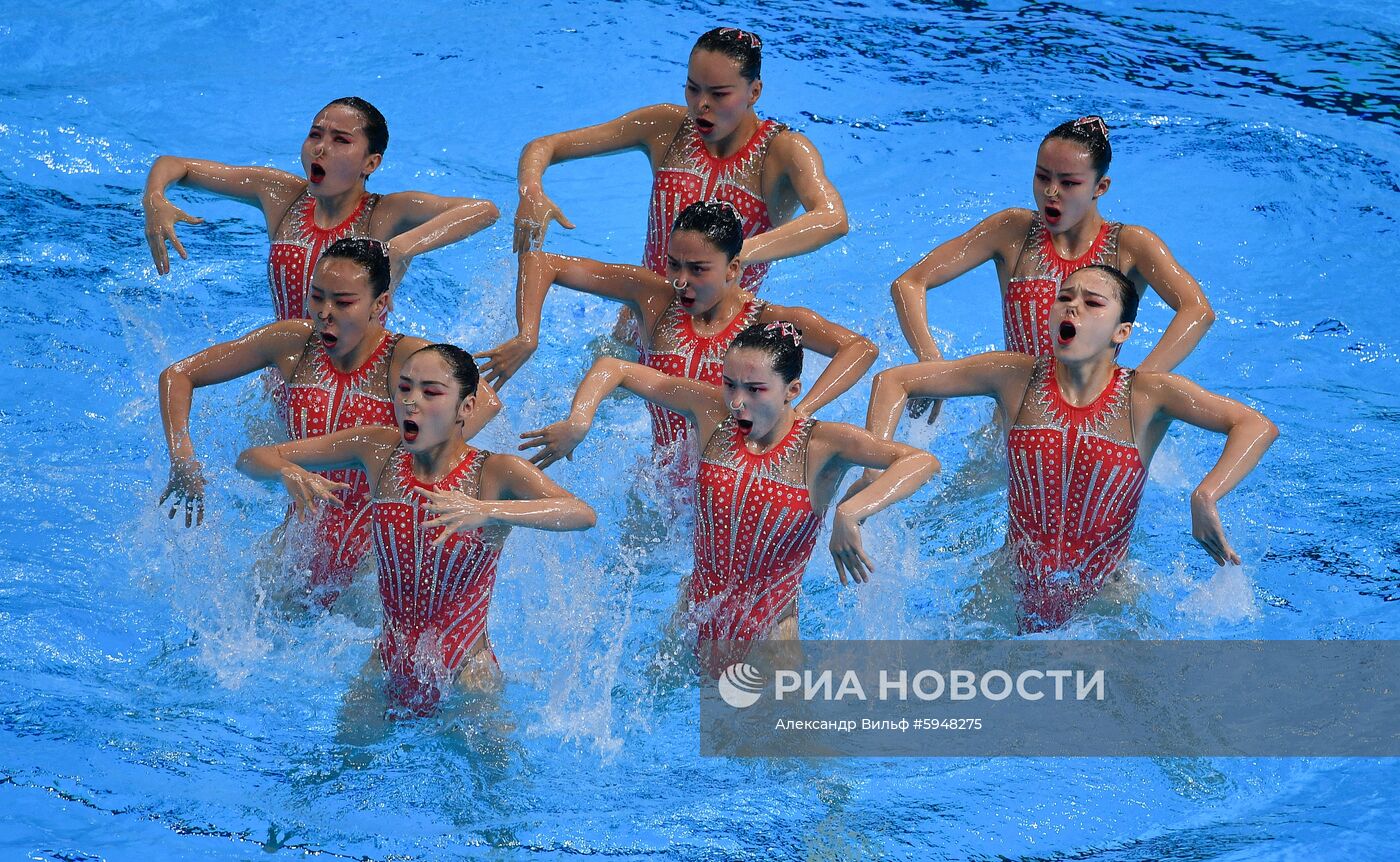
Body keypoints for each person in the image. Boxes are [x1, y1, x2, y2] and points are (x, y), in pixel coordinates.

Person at [865, 265, 1276, 631]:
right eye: (1063, 297)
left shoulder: (1149, 395)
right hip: (1007, 590)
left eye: (1092, 302)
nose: (1071, 307)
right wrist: (873, 473)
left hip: (1106, 603)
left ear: (1122, 332)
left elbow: (1255, 425)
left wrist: (1206, 495)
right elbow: (893, 381)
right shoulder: (1014, 376)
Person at [521, 322, 938, 669]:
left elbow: (920, 462)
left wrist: (851, 511)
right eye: (729, 384)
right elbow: (615, 368)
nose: (737, 401)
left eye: (756, 389)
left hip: (769, 645)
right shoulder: (711, 412)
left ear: (792, 390)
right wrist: (579, 420)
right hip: (692, 619)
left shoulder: (826, 444)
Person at [237, 344, 595, 713]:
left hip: (467, 683)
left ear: (466, 408)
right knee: (340, 767)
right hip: (386, 667)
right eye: (404, 388)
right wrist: (286, 471)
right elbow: (251, 458)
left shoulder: (495, 473)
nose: (411, 401)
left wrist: (488, 511)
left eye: (431, 392)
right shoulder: (379, 450)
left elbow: (581, 514)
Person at [157, 238, 500, 605]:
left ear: (379, 305)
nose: (324, 312)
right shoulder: (292, 343)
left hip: (376, 565)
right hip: (300, 544)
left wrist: (412, 459)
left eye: (344, 302)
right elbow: (177, 376)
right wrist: (182, 456)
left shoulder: (405, 358)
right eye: (317, 297)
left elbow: (485, 401)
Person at [484, 201, 876, 481]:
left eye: (698, 269)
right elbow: (541, 262)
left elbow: (860, 348)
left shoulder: (766, 321)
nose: (680, 280)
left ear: (733, 269)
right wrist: (527, 335)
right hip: (662, 482)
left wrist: (803, 410)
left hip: (736, 479)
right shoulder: (654, 297)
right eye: (673, 264)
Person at [514, 27, 847, 336]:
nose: (701, 104)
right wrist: (532, 191)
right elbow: (545, 146)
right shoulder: (665, 128)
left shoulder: (782, 152)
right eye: (693, 88)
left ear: (754, 92)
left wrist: (734, 253)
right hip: (638, 328)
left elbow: (832, 219)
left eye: (719, 94)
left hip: (721, 345)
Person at [891, 116, 1214, 421]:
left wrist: (1139, 384)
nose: (1051, 192)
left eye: (1069, 183)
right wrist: (932, 364)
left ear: (1100, 187)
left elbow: (1197, 310)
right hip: (1013, 415)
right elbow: (909, 282)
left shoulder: (1130, 245)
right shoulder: (1011, 230)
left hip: (1094, 417)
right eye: (1042, 176)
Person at [143, 96, 499, 321]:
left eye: (340, 140)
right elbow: (176, 164)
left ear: (370, 163)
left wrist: (402, 247)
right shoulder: (281, 195)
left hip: (355, 382)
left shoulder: (386, 213)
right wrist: (155, 198)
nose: (320, 148)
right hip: (284, 369)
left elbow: (484, 210)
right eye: (315, 135)